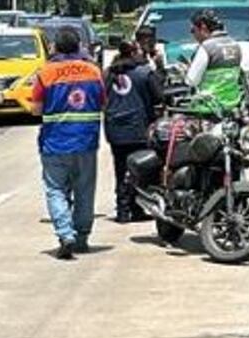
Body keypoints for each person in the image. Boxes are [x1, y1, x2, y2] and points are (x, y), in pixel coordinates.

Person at [32, 28, 106, 260]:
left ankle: (65, 234)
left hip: (55, 142)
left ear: (55, 47)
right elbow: (103, 102)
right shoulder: (93, 71)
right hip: (86, 141)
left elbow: (36, 109)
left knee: (55, 189)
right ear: (78, 46)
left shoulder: (45, 73)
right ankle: (82, 237)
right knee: (84, 190)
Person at [103, 40, 163, 222]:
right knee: (143, 168)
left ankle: (123, 210)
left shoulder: (107, 74)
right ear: (135, 53)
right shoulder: (144, 72)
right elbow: (159, 96)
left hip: (115, 128)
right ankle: (137, 208)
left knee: (121, 169)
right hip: (139, 127)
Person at [184, 9, 245, 115]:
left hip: (210, 107)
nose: (193, 35)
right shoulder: (235, 45)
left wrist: (187, 70)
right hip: (233, 105)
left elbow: (191, 81)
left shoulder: (207, 47)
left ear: (203, 27)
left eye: (193, 30)